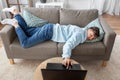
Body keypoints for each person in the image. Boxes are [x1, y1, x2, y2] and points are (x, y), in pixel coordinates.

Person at [1, 6, 99, 68]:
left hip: (50, 28)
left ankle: (15, 12)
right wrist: (66, 57)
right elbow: (69, 44)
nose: (90, 38)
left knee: (26, 31)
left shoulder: (81, 29)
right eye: (91, 34)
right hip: (49, 32)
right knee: (25, 43)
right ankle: (16, 24)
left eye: (93, 38)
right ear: (88, 29)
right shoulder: (81, 35)